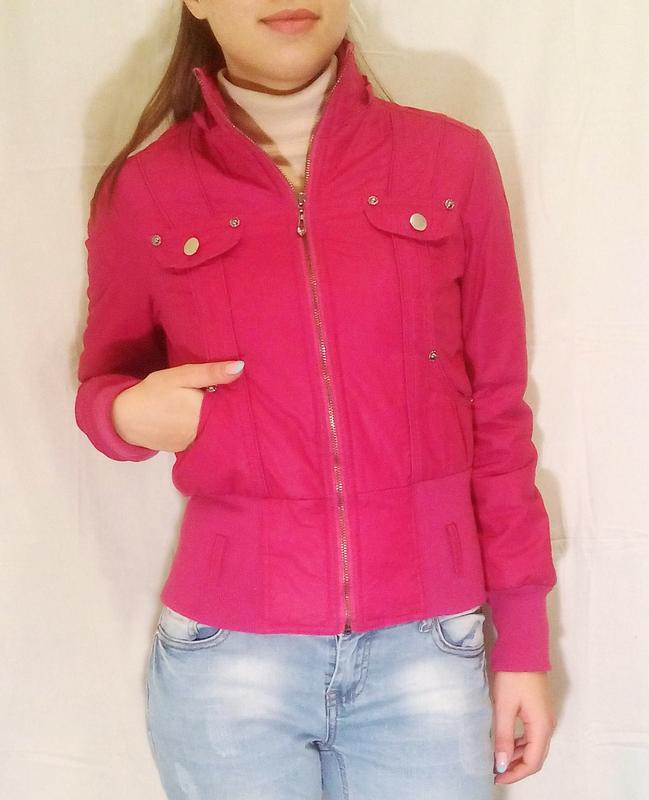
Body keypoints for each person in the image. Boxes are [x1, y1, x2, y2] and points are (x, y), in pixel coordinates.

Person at [74, 2, 558, 798]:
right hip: (229, 663)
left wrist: (523, 641)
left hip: (428, 649)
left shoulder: (449, 160)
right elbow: (103, 385)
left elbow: (498, 410)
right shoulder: (146, 188)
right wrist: (124, 414)